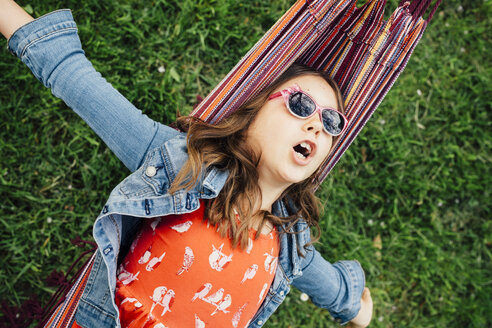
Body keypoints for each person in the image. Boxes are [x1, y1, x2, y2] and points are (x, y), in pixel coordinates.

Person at [0, 1, 373, 327]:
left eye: (331, 123)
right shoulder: (183, 164)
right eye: (301, 105)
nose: (315, 124)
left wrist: (357, 311)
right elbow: (75, 79)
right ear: (251, 112)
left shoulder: (291, 243)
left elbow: (332, 287)